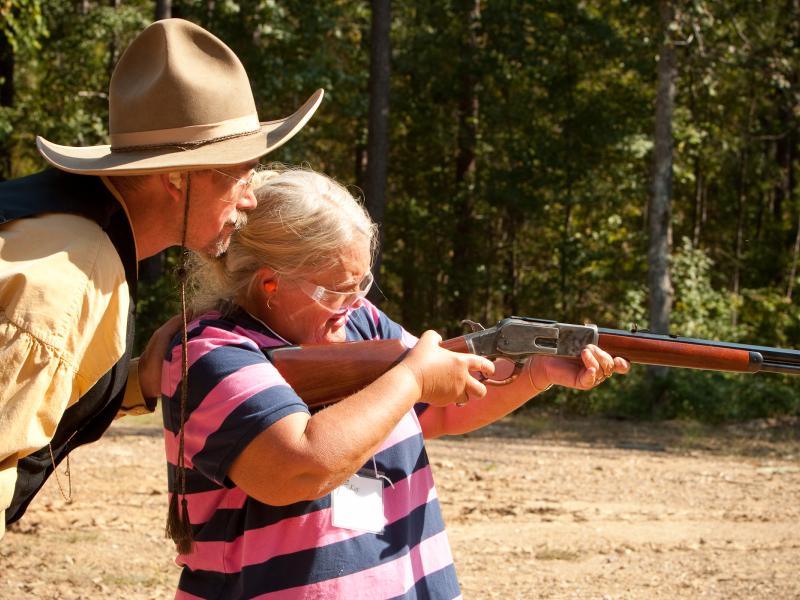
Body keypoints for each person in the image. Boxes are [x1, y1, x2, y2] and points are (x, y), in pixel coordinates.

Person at [162, 168, 630, 599]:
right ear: (270, 284)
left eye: (362, 283)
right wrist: (411, 376)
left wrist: (538, 373)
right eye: (338, 289)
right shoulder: (211, 354)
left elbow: (441, 408)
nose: (355, 301)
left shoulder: (361, 322)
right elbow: (299, 466)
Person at [0, 18, 324, 537]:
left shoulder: (77, 234)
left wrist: (140, 379)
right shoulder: (67, 276)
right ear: (176, 177)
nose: (251, 197)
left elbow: (37, 392)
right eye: (239, 173)